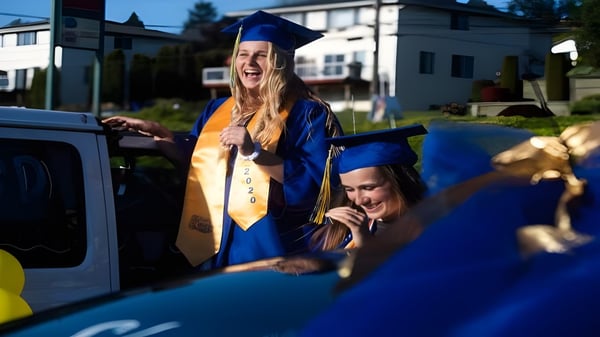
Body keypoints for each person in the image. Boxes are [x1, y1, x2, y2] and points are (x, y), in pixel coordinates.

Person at [103, 10, 342, 270]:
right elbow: (201, 164)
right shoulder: (218, 109)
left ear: (282, 62)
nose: (249, 62)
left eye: (262, 55)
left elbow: (317, 186)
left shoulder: (307, 114)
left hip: (269, 244)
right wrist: (162, 135)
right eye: (243, 54)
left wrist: (255, 153)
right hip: (210, 242)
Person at [310, 124, 428, 250]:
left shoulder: (434, 227)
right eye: (349, 189)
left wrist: (364, 242)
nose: (360, 200)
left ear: (401, 181)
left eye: (368, 188)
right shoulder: (343, 231)